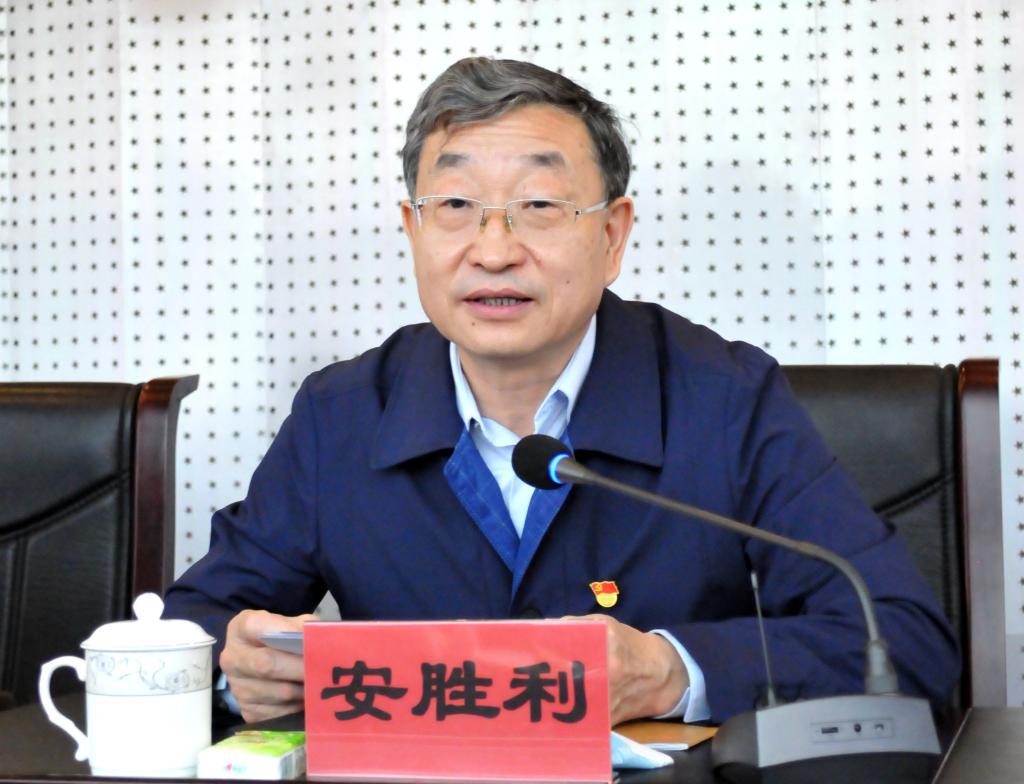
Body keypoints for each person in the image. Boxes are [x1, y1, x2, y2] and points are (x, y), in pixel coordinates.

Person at [163, 57, 959, 726]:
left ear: (612, 235)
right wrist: (240, 674)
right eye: (456, 207)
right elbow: (191, 630)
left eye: (539, 206)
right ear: (413, 230)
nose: (494, 250)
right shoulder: (340, 415)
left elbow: (905, 643)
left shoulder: (724, 398)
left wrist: (668, 671)